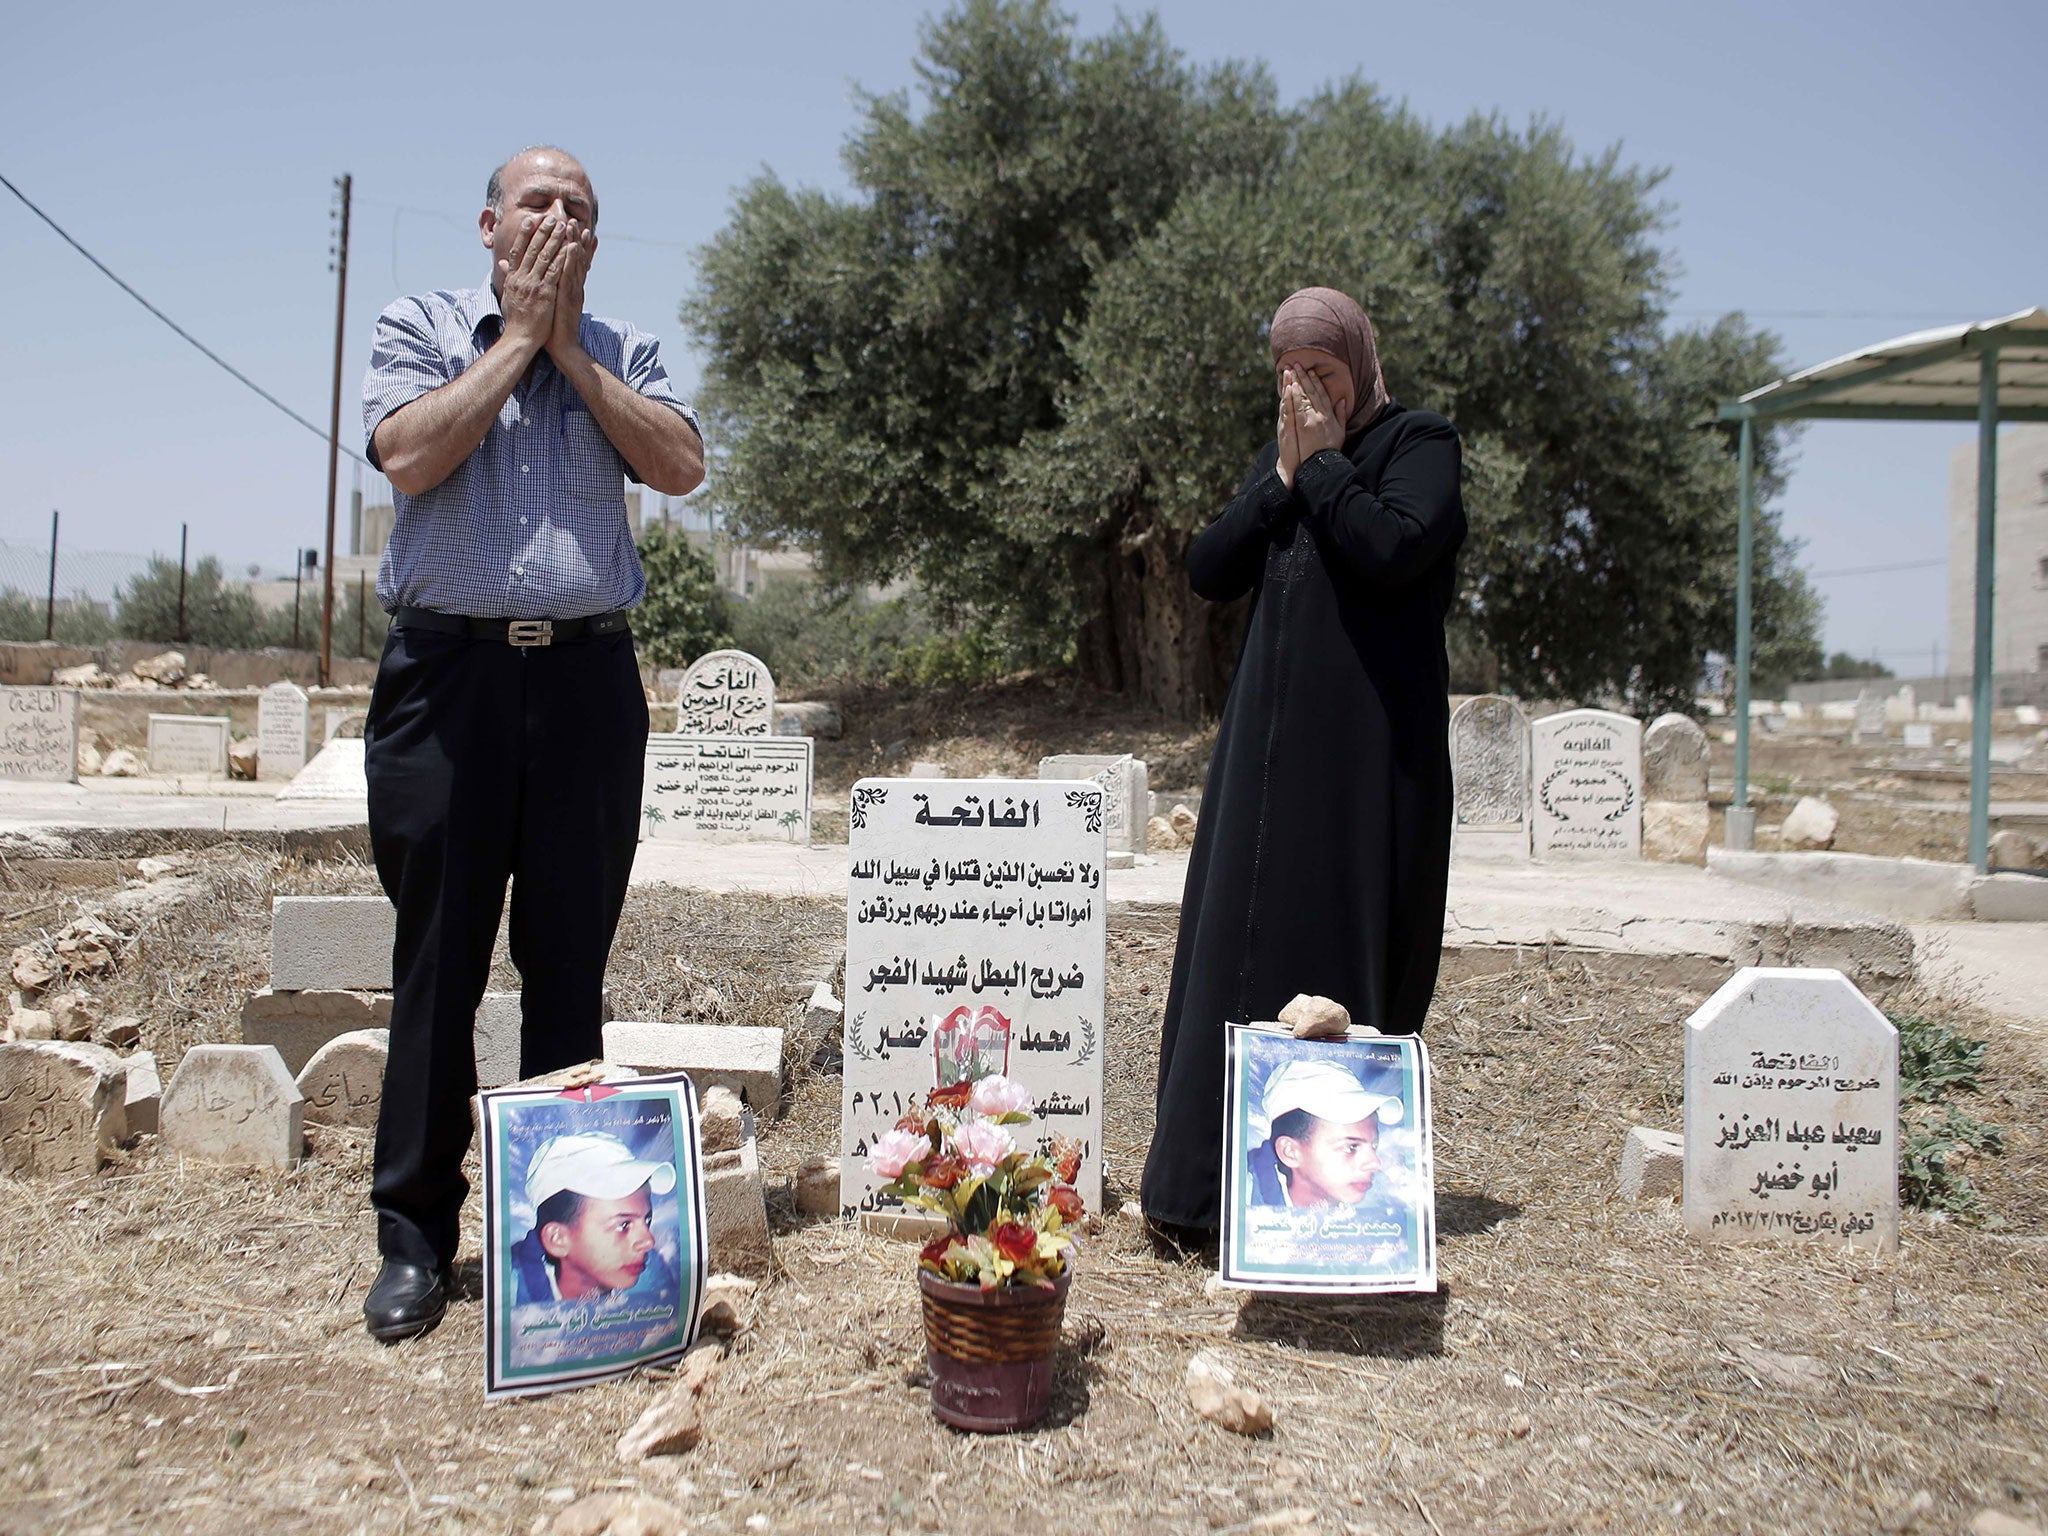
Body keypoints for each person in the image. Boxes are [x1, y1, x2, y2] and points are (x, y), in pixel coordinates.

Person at [357, 147, 704, 1340]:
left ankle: (560, 1251)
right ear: (489, 222)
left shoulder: (623, 349)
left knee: (566, 968)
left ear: (596, 242)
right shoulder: (420, 325)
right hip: (446, 684)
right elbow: (407, 455)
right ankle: (412, 1238)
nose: (560, 222)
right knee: (437, 965)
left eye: (581, 212)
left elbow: (680, 464)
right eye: (539, 204)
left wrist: (567, 353)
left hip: (587, 682)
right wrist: (513, 343)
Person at [1142, 286, 1464, 1239]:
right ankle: (1198, 1197)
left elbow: (1393, 547)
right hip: (1264, 763)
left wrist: (1320, 468)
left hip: (1364, 763)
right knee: (1232, 952)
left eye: (1322, 373)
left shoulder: (1419, 445)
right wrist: (1280, 481)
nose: (1305, 391)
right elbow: (1209, 568)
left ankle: (1333, 1222)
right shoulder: (1285, 461)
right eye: (1288, 375)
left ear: (1360, 364)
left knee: (1339, 942)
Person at [510, 1132, 678, 1304]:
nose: (649, 1241)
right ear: (558, 1239)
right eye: (623, 1225)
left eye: (647, 1221)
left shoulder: (655, 1283)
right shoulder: (511, 1300)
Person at [1245, 1059, 1403, 1209]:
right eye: (1351, 1147)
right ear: (1290, 1152)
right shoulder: (1240, 1202)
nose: (1375, 1163)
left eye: (1374, 1146)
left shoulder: (1385, 1205)